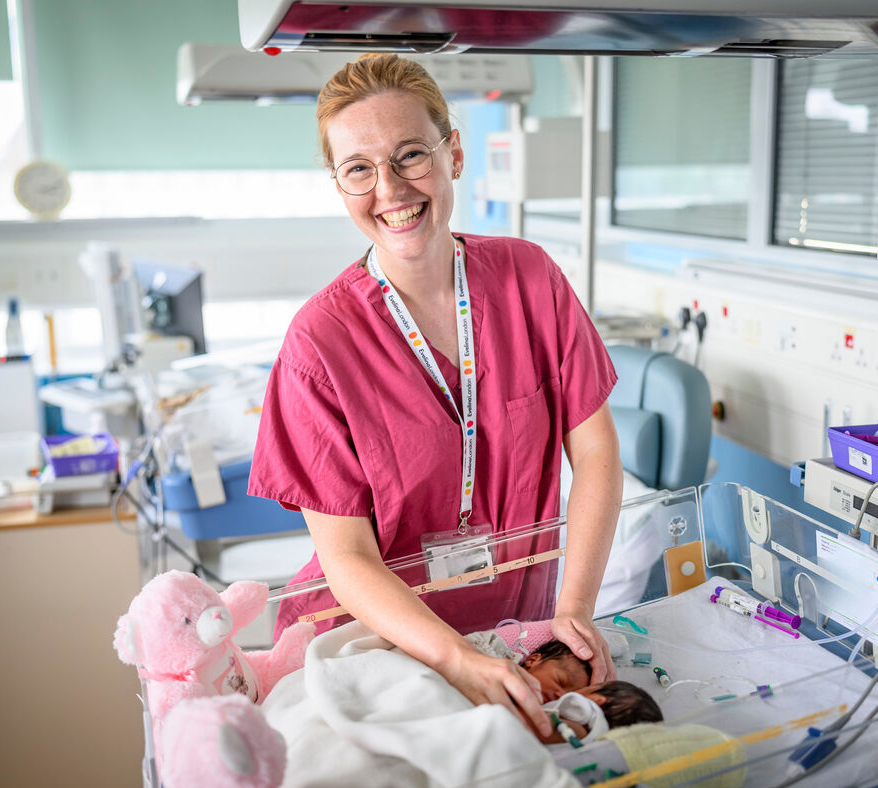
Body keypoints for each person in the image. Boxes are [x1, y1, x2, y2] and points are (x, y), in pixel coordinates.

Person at [248, 52, 623, 739]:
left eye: (409, 155)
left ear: (453, 154)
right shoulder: (319, 344)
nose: (389, 187)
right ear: (338, 184)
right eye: (359, 168)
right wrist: (454, 660)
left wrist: (574, 608)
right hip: (369, 645)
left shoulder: (529, 279)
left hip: (515, 625)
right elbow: (348, 557)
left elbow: (595, 452)